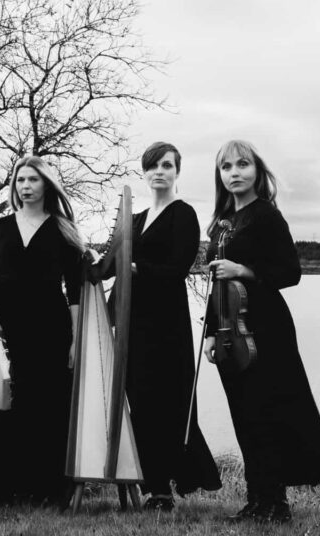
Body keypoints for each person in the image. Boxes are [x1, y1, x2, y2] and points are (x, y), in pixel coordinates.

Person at [203, 140, 320, 523]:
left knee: (267, 413)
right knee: (244, 415)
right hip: (229, 329)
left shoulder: (266, 216)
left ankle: (276, 503)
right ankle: (256, 500)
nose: (234, 172)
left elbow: (290, 272)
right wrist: (210, 332)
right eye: (227, 167)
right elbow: (216, 283)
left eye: (242, 164)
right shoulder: (222, 222)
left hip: (265, 327)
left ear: (257, 171)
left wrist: (243, 270)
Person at [121, 142, 222, 511]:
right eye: (153, 166)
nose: (159, 172)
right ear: (144, 173)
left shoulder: (184, 214)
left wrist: (137, 268)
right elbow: (118, 263)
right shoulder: (135, 219)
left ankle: (168, 488)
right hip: (135, 320)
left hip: (167, 322)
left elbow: (178, 268)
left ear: (177, 171)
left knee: (168, 401)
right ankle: (154, 486)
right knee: (141, 401)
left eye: (166, 165)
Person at [0, 156, 84, 509]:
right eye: (20, 180)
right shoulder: (0, 228)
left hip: (52, 327)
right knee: (10, 404)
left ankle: (49, 489)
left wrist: (76, 338)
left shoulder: (63, 228)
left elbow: (75, 289)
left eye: (33, 180)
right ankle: (4, 490)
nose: (25, 186)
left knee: (50, 405)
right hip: (10, 329)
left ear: (46, 185)